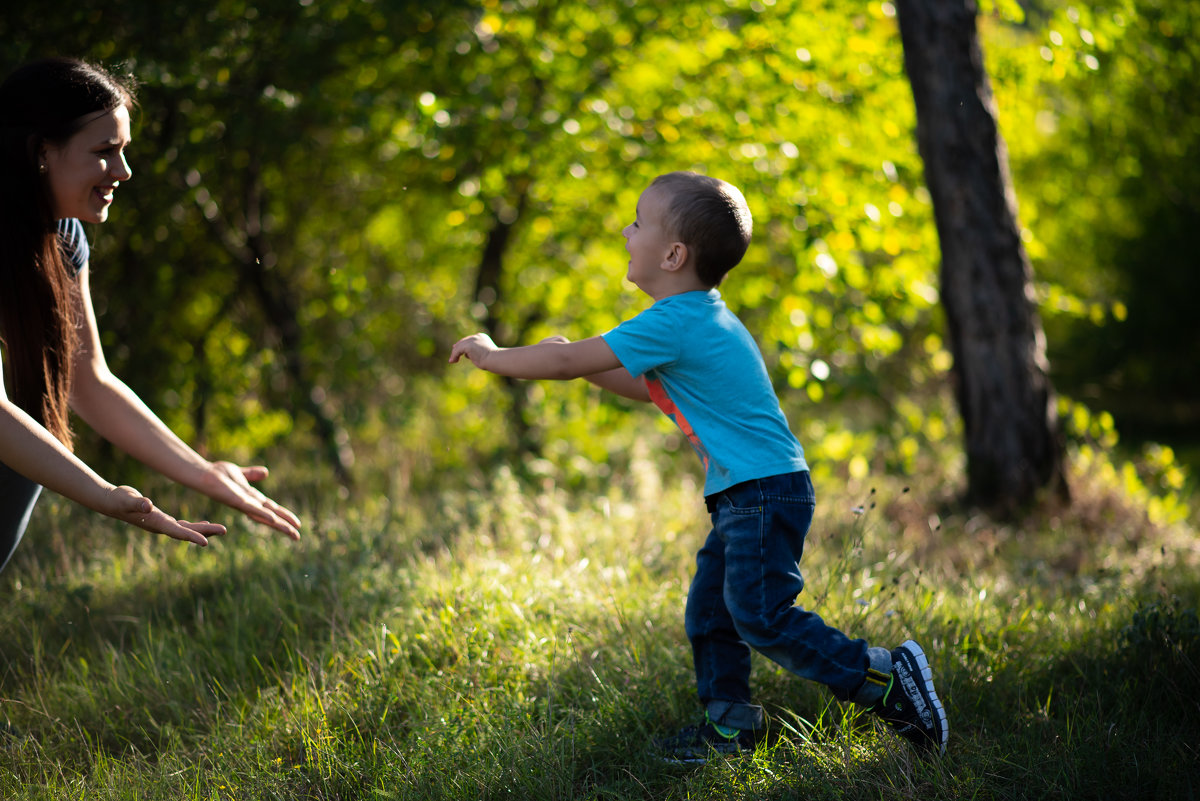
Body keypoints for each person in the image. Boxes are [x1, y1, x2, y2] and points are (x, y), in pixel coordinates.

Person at [449, 171, 947, 760]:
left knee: (761, 616)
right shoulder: (694, 318)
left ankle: (884, 678)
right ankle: (731, 726)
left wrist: (492, 355)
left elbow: (568, 363)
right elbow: (643, 387)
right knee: (714, 611)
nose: (626, 231)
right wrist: (574, 358)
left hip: (761, 492)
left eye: (637, 222)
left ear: (673, 253)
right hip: (754, 491)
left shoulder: (676, 319)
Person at [0, 57, 301, 577]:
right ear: (41, 152)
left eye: (124, 151)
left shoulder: (65, 239)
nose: (123, 172)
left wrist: (203, 474)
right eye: (104, 152)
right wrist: (104, 495)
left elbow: (86, 379)